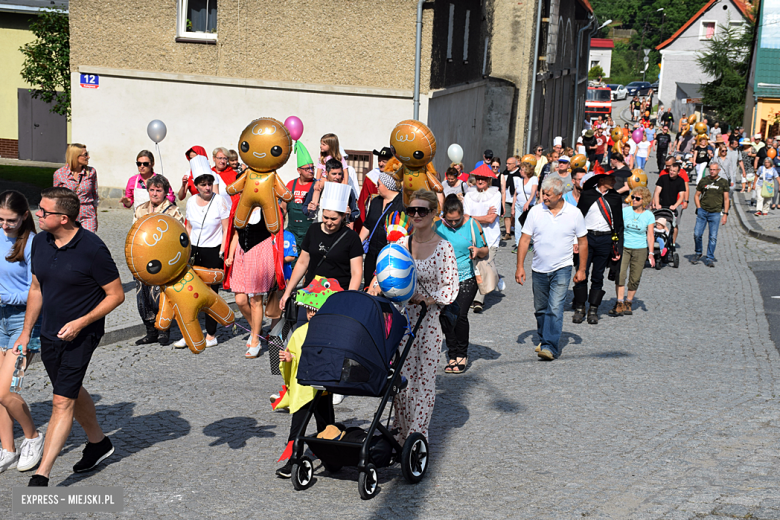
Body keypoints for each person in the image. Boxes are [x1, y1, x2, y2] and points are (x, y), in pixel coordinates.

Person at [16, 187, 125, 486]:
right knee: (70, 390)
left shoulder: (92, 249)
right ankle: (99, 443)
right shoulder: (40, 241)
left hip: (81, 335)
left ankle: (43, 474)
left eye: (44, 211)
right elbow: (36, 288)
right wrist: (26, 333)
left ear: (64, 218)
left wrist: (81, 322)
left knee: (61, 401)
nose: (37, 214)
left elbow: (116, 295)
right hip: (49, 333)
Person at [394, 190, 458, 443]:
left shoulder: (444, 247)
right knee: (401, 378)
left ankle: (417, 434)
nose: (416, 215)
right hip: (404, 319)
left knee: (424, 379)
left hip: (429, 321)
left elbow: (450, 286)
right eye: (412, 210)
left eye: (422, 211)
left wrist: (428, 299)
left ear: (434, 214)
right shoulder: (401, 245)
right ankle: (401, 431)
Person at [273, 276, 341, 479]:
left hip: (323, 389)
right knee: (297, 427)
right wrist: (288, 358)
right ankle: (292, 460)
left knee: (326, 425)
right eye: (309, 309)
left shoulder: (332, 334)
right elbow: (294, 353)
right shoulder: (300, 332)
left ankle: (332, 458)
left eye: (315, 310)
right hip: (304, 387)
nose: (311, 314)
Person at [515, 176, 587, 360]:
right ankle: (544, 338)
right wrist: (519, 266)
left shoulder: (574, 213)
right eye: (543, 193)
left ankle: (550, 346)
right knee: (540, 308)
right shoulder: (535, 212)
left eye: (548, 195)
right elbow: (524, 240)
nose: (544, 197)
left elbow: (583, 242)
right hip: (538, 269)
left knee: (555, 307)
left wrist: (582, 269)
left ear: (559, 195)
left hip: (562, 268)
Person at [0, 191, 44, 474]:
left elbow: (36, 291)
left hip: (22, 323)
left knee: (6, 391)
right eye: (1, 219)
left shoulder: (33, 244)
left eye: (11, 221)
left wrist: (4, 296)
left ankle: (33, 437)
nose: (4, 225)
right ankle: (7, 448)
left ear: (25, 215)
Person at [280, 190, 363, 327]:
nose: (328, 222)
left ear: (343, 216)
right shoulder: (313, 230)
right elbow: (302, 262)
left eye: (334, 219)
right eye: (325, 217)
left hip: (337, 296)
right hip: (311, 293)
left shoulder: (351, 237)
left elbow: (356, 273)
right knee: (303, 332)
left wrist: (349, 299)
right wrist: (288, 292)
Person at [176, 173, 230, 348]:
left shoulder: (219, 201)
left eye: (209, 184)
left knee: (210, 294)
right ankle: (190, 332)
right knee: (189, 293)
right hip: (194, 250)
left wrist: (223, 250)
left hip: (214, 250)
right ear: (196, 186)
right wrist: (185, 248)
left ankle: (211, 334)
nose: (207, 188)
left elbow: (226, 227)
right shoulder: (191, 201)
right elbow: (189, 226)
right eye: (203, 184)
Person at [435, 195, 487, 374]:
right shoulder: (437, 227)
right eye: (449, 221)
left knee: (461, 315)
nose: (453, 224)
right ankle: (452, 353)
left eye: (457, 220)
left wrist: (478, 250)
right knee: (446, 316)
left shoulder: (472, 224)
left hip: (467, 277)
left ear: (462, 214)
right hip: (444, 279)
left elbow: (485, 248)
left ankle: (461, 354)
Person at [132, 175, 184, 346]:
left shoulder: (172, 211)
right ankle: (150, 331)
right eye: (152, 190)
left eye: (158, 190)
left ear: (165, 192)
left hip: (163, 261)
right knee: (143, 297)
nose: (154, 193)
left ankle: (163, 330)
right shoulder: (140, 209)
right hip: (142, 259)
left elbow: (178, 235)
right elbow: (134, 234)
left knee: (160, 296)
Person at [225, 200, 277, 358]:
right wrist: (230, 255)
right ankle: (257, 328)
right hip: (241, 253)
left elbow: (276, 229)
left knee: (255, 300)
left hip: (260, 251)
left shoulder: (267, 207)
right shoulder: (240, 207)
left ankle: (255, 340)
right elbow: (235, 234)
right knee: (240, 300)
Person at [572, 170, 624, 325]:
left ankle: (593, 308)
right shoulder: (587, 195)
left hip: (606, 239)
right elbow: (577, 219)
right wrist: (575, 240)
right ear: (602, 180)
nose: (615, 181)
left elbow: (618, 226)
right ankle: (580, 307)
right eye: (611, 179)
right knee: (582, 272)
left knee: (598, 275)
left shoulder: (615, 198)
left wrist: (617, 246)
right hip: (586, 238)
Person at [609, 186, 655, 317]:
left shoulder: (649, 215)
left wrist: (651, 253)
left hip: (640, 249)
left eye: (637, 198)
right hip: (624, 247)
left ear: (644, 200)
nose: (633, 200)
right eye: (633, 197)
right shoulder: (625, 211)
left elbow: (650, 235)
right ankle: (619, 302)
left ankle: (628, 302)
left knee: (635, 278)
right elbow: (616, 228)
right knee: (620, 274)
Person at [463, 164, 502, 314]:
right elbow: (465, 218)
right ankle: (492, 279)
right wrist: (481, 217)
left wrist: (473, 217)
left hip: (490, 237)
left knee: (485, 265)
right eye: (478, 178)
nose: (480, 180)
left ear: (489, 179)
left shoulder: (496, 194)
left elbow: (491, 218)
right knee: (473, 266)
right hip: (472, 236)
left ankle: (479, 299)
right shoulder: (469, 195)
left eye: (483, 178)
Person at [361, 173, 406, 289]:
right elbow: (367, 225)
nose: (376, 187)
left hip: (389, 255)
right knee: (368, 285)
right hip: (372, 253)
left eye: (379, 184)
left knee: (385, 286)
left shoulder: (402, 204)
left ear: (387, 185)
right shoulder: (376, 202)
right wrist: (358, 242)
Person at [52, 144, 99, 233]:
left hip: (87, 213)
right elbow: (55, 199)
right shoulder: (59, 174)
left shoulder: (91, 172)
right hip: (67, 214)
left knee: (88, 242)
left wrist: (95, 216)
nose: (88, 157)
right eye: (85, 154)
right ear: (75, 156)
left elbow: (95, 195)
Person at [693, 163, 730, 267]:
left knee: (713, 236)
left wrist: (725, 214)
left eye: (714, 170)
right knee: (697, 234)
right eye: (711, 169)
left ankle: (709, 257)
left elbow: (726, 199)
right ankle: (698, 252)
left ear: (718, 170)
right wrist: (698, 207)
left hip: (715, 212)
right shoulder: (704, 180)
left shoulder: (723, 182)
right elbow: (696, 195)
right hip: (703, 211)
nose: (712, 171)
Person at [303, 158, 359, 224]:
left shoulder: (348, 190)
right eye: (334, 174)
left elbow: (356, 213)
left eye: (339, 174)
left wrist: (350, 214)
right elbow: (304, 208)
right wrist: (309, 209)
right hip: (319, 227)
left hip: (339, 229)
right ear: (326, 173)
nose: (337, 177)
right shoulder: (318, 188)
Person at [282, 142, 316, 249]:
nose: (311, 171)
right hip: (292, 232)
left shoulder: (317, 186)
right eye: (307, 169)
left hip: (310, 232)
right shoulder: (291, 184)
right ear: (299, 171)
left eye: (312, 168)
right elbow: (283, 208)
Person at [356, 147, 393, 229]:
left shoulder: (397, 177)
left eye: (384, 161)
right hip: (375, 216)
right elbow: (363, 202)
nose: (381, 164)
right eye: (379, 160)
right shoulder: (371, 177)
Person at [653, 163, 687, 246]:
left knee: (674, 225)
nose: (671, 172)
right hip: (661, 205)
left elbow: (682, 196)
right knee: (656, 223)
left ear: (678, 172)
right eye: (670, 170)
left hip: (672, 206)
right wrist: (657, 203)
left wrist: (675, 205)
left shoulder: (680, 181)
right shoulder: (663, 178)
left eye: (674, 171)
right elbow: (657, 192)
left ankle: (673, 243)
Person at [512, 161, 539, 253]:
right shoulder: (519, 180)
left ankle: (530, 243)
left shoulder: (534, 179)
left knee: (529, 225)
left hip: (530, 206)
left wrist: (527, 203)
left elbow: (533, 192)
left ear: (526, 171)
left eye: (521, 170)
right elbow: (515, 194)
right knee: (518, 225)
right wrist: (513, 207)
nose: (520, 171)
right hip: (518, 205)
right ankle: (518, 244)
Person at [501, 156, 521, 240]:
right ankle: (508, 233)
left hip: (516, 198)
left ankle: (517, 231)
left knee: (516, 215)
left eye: (509, 164)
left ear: (515, 165)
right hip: (507, 197)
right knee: (507, 215)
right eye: (506, 163)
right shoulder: (505, 173)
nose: (507, 165)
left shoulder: (520, 174)